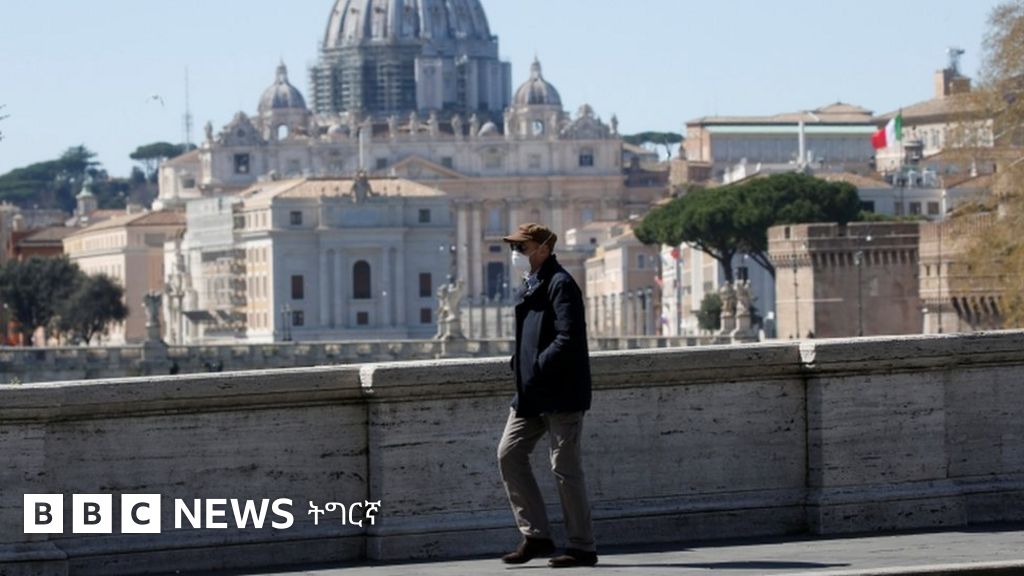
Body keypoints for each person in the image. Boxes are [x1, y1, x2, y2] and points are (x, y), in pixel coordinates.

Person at [497, 223, 597, 568]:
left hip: (560, 391)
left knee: (564, 468)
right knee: (509, 454)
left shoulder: (561, 283)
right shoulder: (533, 283)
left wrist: (537, 365)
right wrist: (520, 363)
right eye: (514, 247)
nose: (515, 254)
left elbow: (568, 336)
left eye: (521, 248)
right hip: (530, 392)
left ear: (542, 249)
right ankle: (536, 536)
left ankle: (582, 546)